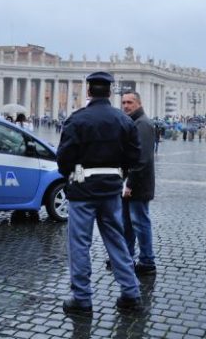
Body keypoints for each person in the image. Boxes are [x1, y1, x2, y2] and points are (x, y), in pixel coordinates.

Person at [57, 71, 142, 314]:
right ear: (109, 92)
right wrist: (118, 174)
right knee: (117, 240)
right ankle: (131, 293)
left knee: (80, 244)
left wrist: (71, 175)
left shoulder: (77, 119)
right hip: (111, 190)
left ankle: (82, 298)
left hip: (83, 190)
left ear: (88, 91)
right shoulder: (124, 120)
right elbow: (135, 156)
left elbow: (64, 157)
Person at [120, 91, 157, 275]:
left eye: (130, 102)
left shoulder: (142, 124)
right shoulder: (133, 122)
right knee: (127, 222)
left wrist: (129, 184)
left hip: (138, 184)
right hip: (129, 182)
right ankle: (126, 258)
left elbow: (142, 159)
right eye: (124, 102)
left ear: (139, 103)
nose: (126, 105)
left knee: (140, 223)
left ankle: (147, 261)